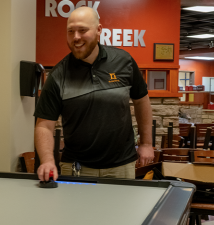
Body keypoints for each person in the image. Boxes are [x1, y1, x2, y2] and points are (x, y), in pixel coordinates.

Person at [34, 7, 154, 181]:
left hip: (121, 166)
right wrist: (47, 160)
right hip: (77, 168)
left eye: (83, 30)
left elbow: (141, 101)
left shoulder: (123, 61)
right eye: (70, 31)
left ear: (98, 30)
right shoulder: (58, 75)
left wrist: (146, 143)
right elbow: (44, 125)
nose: (76, 37)